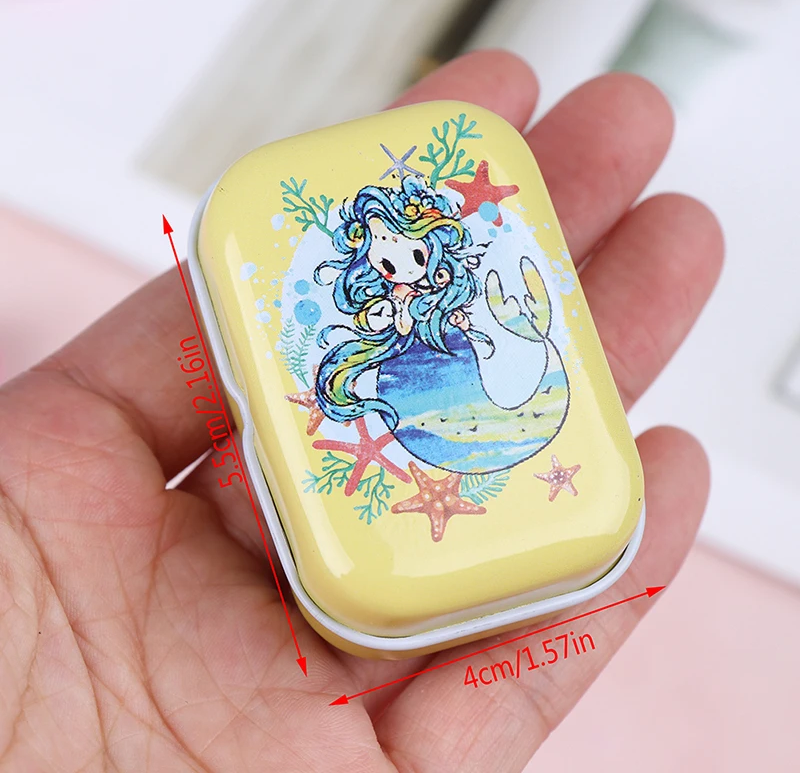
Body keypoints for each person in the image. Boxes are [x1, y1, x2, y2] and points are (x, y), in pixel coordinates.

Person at [0, 49, 723, 771]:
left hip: (481, 415)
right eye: (381, 257)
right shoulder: (375, 313)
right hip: (421, 438)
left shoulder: (450, 309)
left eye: (406, 256)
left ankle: (516, 357)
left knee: (500, 371)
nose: (392, 268)